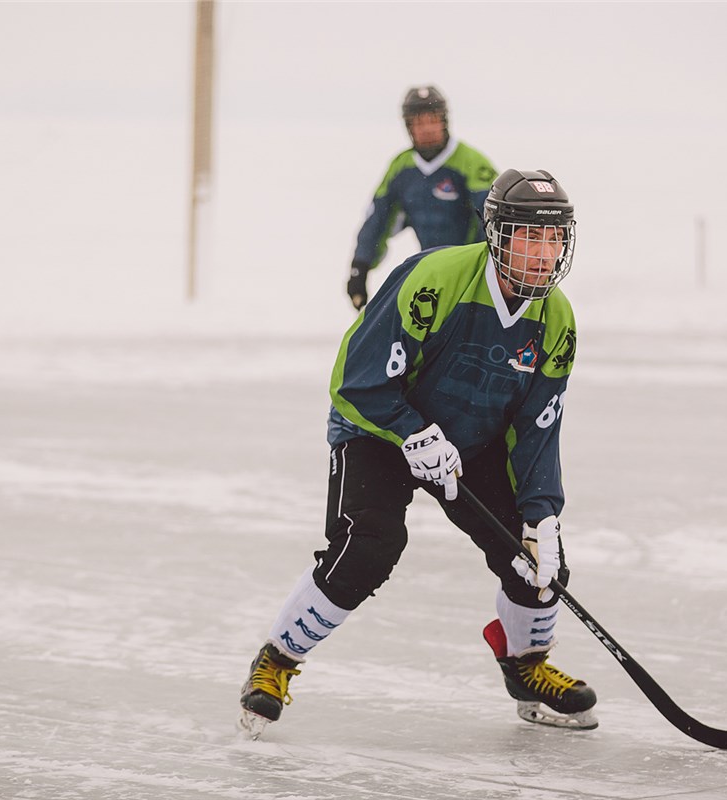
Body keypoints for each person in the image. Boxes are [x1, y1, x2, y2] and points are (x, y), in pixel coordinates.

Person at [241, 169, 596, 739]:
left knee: (534, 560)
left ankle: (526, 667)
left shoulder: (556, 319)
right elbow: (357, 378)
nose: (544, 253)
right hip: (379, 430)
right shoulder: (436, 277)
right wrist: (412, 431)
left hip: (469, 444)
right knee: (369, 546)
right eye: (531, 236)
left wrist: (542, 511)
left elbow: (538, 428)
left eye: (555, 239)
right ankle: (277, 660)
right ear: (498, 234)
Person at [345, 85, 497, 310]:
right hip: (432, 272)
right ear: (408, 127)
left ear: (444, 121)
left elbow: (495, 218)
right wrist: (360, 267)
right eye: (419, 122)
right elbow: (377, 220)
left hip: (476, 273)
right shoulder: (401, 168)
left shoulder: (472, 162)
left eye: (432, 120)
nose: (427, 128)